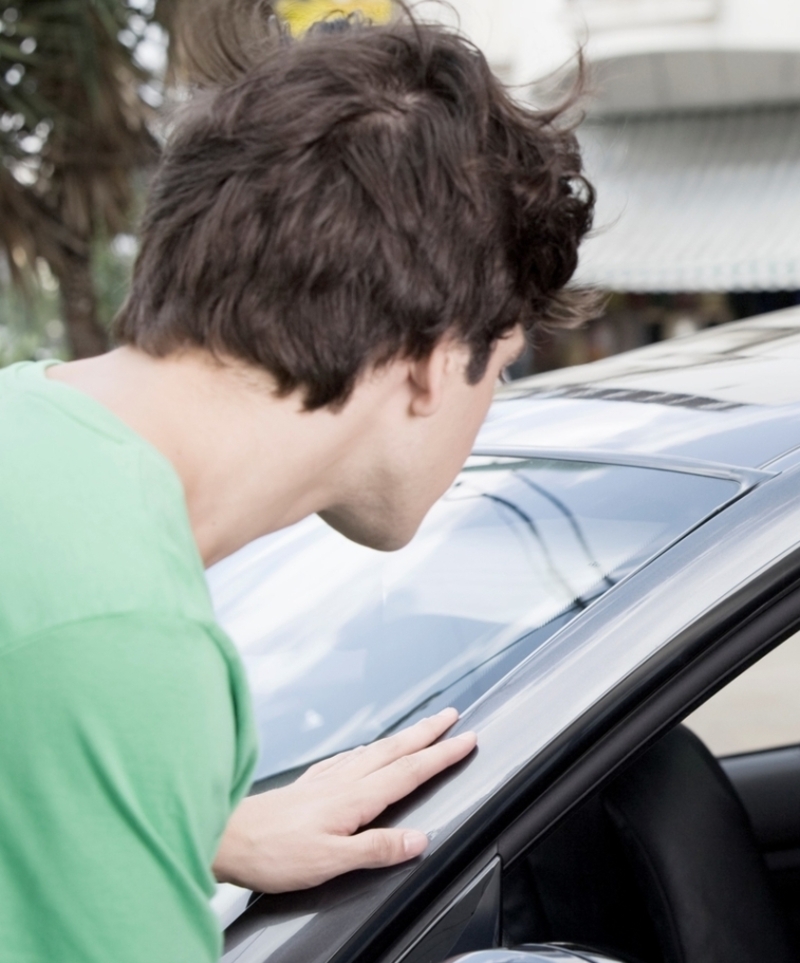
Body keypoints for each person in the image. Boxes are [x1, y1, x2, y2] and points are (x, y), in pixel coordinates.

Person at [0, 13, 595, 963]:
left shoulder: (27, 453)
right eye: (504, 365)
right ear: (435, 363)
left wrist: (192, 825)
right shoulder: (114, 636)